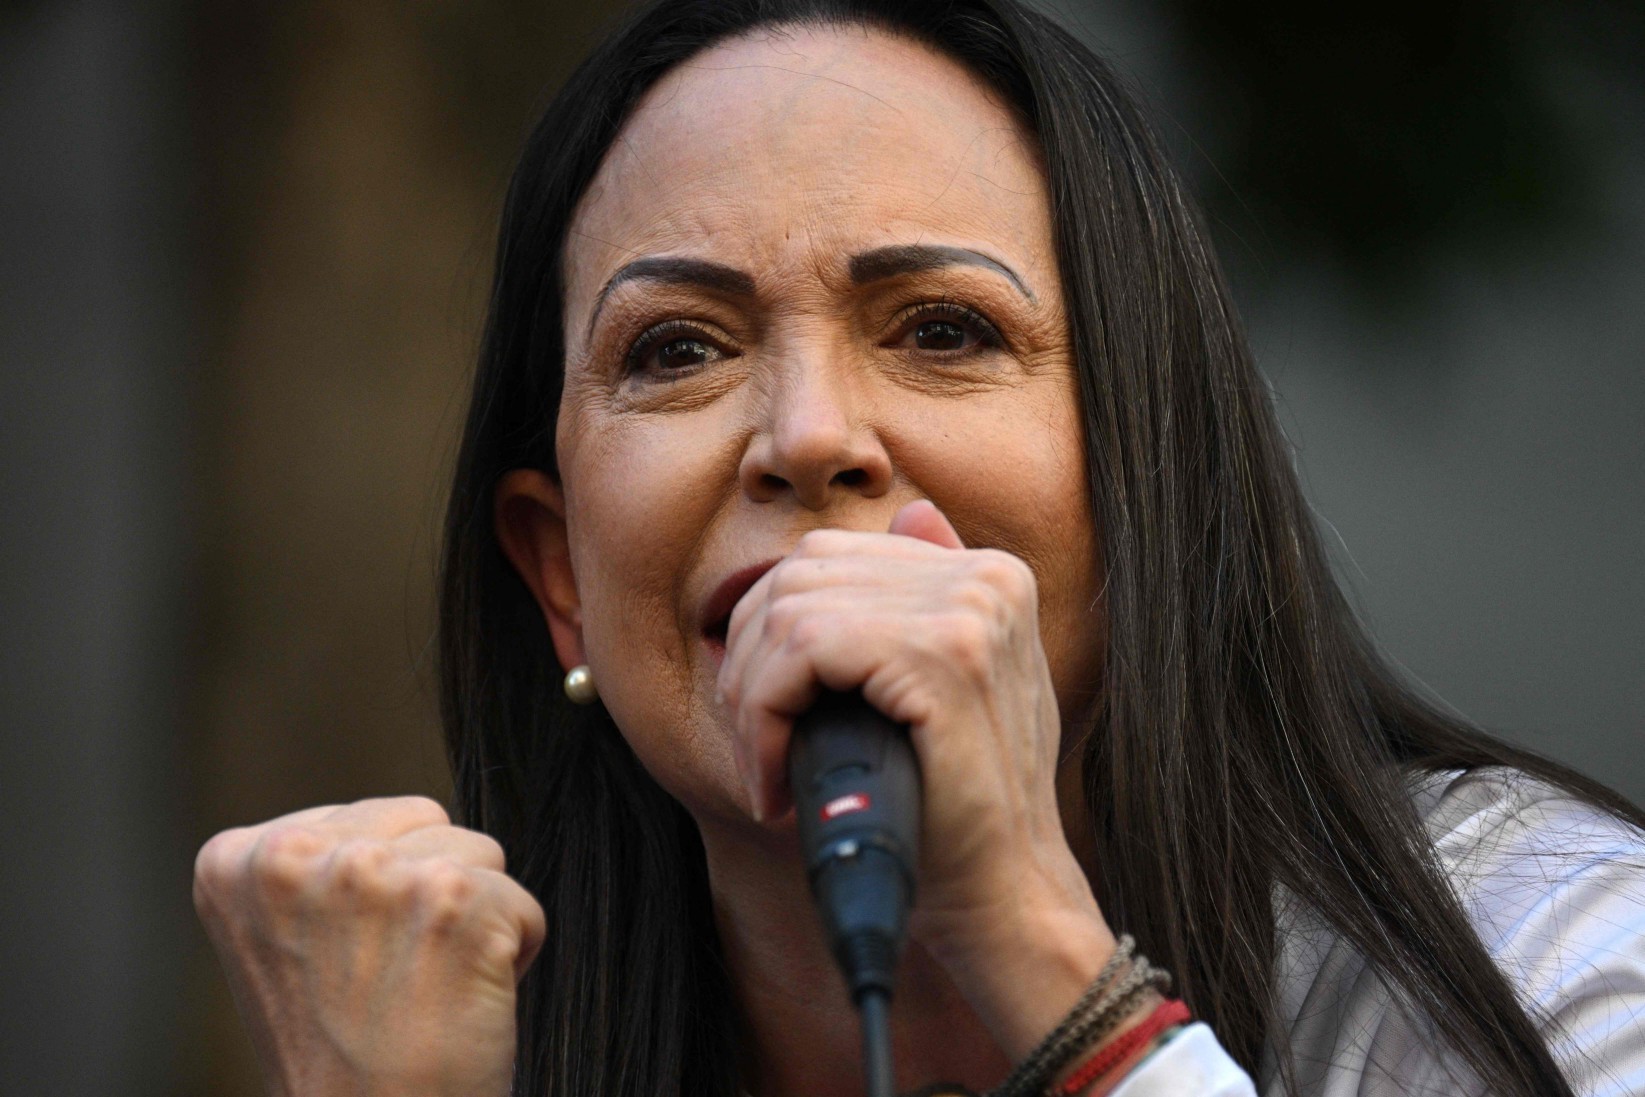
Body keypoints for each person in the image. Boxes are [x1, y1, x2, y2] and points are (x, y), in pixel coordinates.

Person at [190, 1, 1645, 1095]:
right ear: (561, 576)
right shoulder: (438, 1035)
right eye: (679, 347)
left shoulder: (1547, 955)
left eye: (943, 330)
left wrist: (1041, 956)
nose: (807, 434)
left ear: (1150, 480)